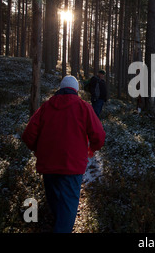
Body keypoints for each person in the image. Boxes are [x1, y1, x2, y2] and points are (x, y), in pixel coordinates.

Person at [22, 75, 106, 233]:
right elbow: (99, 135)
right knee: (68, 206)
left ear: (60, 89)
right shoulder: (84, 107)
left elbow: (28, 135)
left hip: (48, 165)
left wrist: (38, 150)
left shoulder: (46, 106)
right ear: (76, 90)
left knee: (54, 200)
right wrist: (92, 149)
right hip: (72, 166)